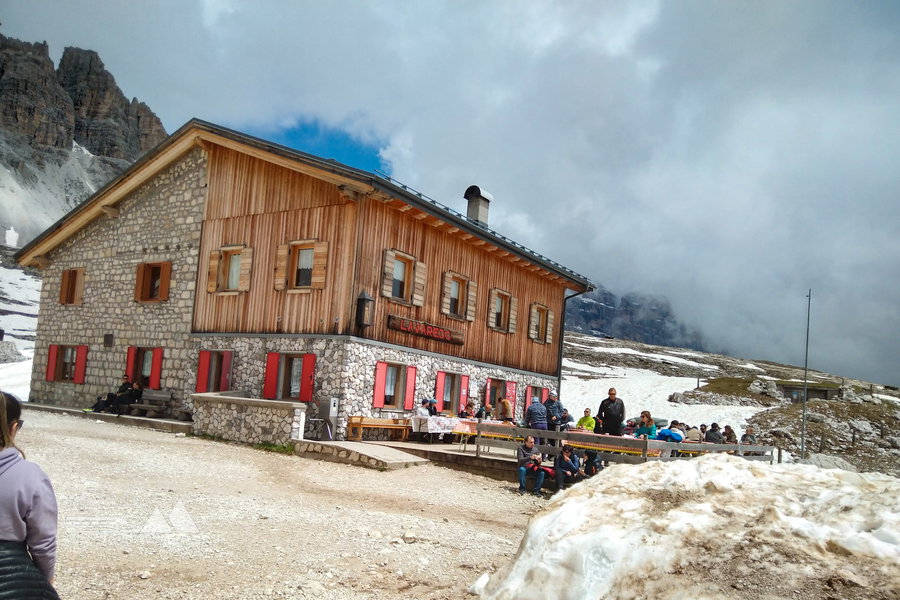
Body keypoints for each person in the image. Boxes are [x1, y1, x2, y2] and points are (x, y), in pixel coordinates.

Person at [0, 391, 60, 600]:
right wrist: (44, 581)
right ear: (14, 427)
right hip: (11, 574)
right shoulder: (30, 476)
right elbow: (43, 542)